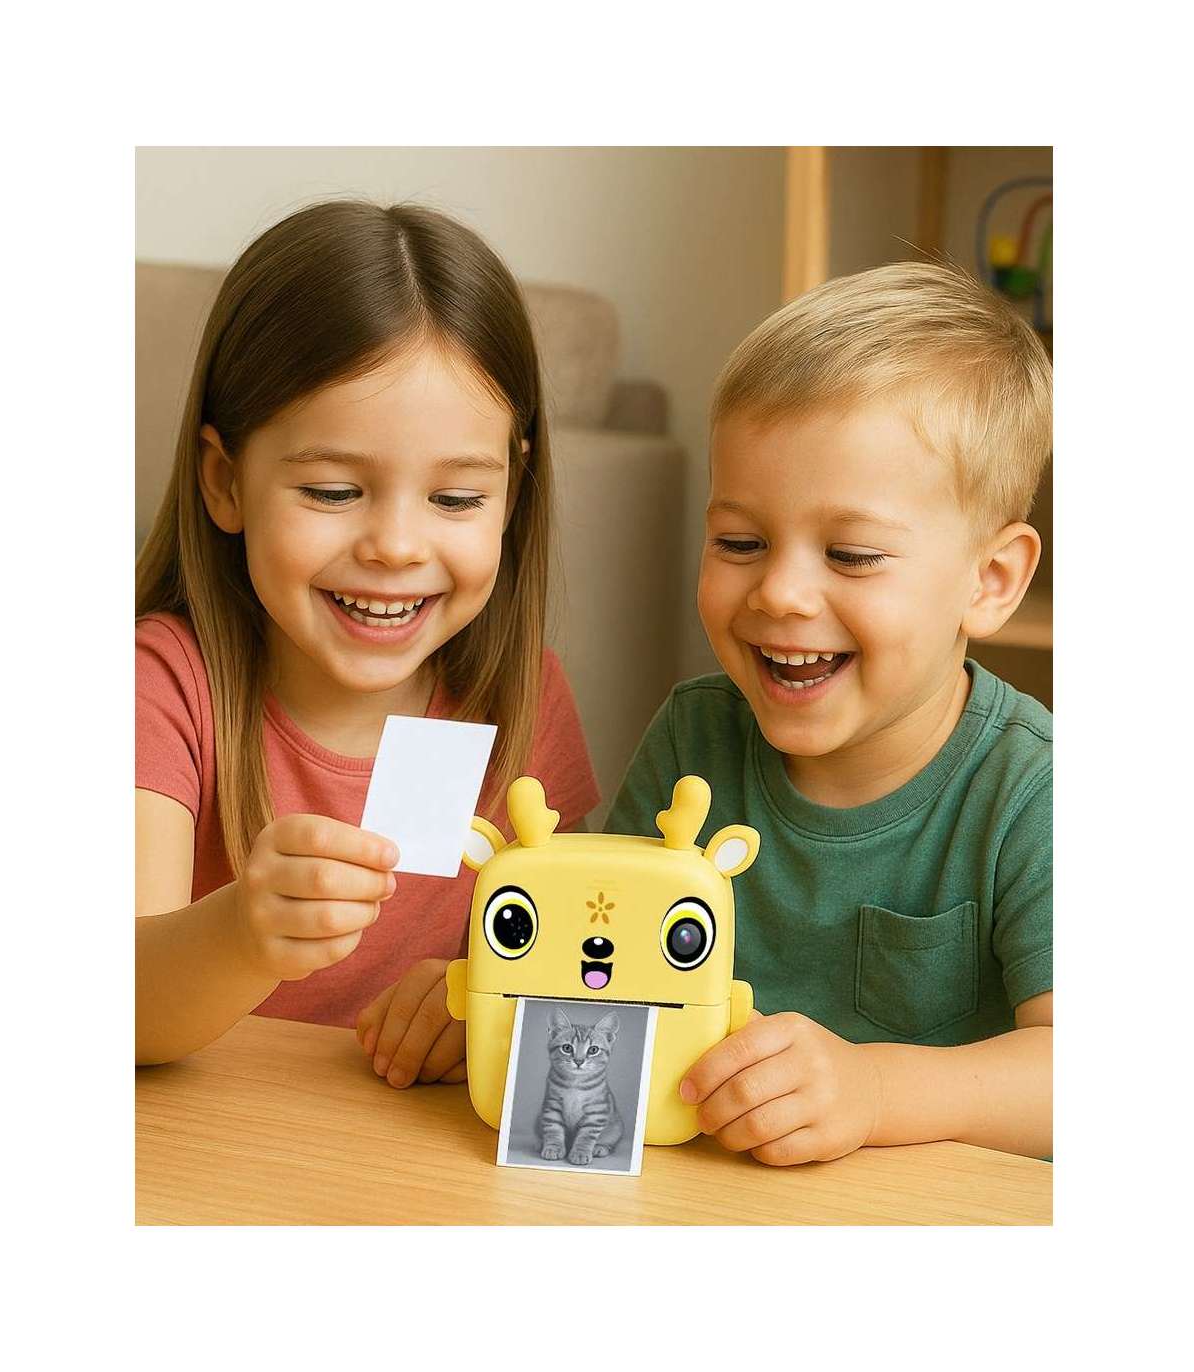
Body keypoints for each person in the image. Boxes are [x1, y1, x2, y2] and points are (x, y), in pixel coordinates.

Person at [136, 201, 599, 1085]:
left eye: (455, 500)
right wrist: (240, 934)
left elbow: (579, 971)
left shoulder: (521, 702)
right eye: (333, 492)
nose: (395, 546)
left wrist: (483, 1005)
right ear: (225, 482)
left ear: (513, 493)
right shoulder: (162, 686)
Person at [607, 262, 1052, 1163]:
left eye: (850, 554)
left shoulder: (1032, 792)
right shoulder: (693, 739)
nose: (779, 592)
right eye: (740, 542)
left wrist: (876, 1090)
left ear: (990, 580)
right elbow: (598, 957)